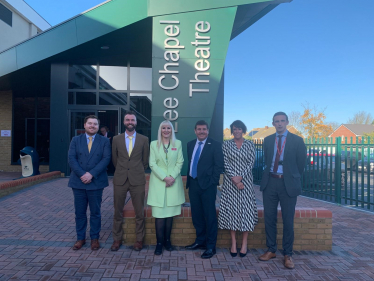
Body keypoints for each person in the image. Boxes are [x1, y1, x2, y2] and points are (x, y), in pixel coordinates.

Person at [258, 112, 306, 269]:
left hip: (288, 184)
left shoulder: (297, 141)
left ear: (287, 122)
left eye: (282, 121)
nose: (279, 124)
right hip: (270, 182)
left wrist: (290, 176)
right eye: (276, 121)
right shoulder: (267, 140)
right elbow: (267, 159)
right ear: (273, 123)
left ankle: (288, 254)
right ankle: (271, 249)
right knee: (269, 218)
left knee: (288, 220)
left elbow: (300, 164)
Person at [68, 115, 111, 251]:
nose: (92, 126)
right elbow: (71, 158)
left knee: (95, 212)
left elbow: (106, 159)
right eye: (90, 123)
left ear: (98, 127)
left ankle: (94, 238)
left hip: (96, 181)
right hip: (79, 182)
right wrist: (83, 175)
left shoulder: (104, 141)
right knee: (80, 212)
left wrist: (91, 174)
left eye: (95, 124)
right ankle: (80, 238)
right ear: (85, 125)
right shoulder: (76, 140)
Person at [218, 120, 258, 258]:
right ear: (232, 130)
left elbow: (251, 162)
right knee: (232, 211)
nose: (237, 131)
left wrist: (240, 177)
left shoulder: (249, 144)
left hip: (246, 182)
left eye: (239, 129)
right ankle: (234, 243)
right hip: (230, 183)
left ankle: (244, 243)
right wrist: (234, 179)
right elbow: (225, 163)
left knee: (245, 212)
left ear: (243, 130)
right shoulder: (226, 144)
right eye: (234, 129)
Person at [110, 111, 150, 251]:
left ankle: (139, 240)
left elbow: (145, 160)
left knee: (139, 212)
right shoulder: (116, 139)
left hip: (137, 178)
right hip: (120, 178)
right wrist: (122, 169)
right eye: (127, 120)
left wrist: (136, 169)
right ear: (124, 122)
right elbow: (115, 159)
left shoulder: (144, 139)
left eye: (132, 120)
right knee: (117, 211)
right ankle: (117, 239)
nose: (130, 122)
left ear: (136, 122)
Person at [185, 120, 224, 259]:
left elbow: (219, 165)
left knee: (210, 216)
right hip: (193, 184)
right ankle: (200, 241)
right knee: (197, 215)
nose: (202, 131)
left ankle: (210, 247)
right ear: (195, 131)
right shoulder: (190, 144)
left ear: (208, 131)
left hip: (207, 186)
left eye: (204, 129)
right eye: (199, 129)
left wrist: (212, 182)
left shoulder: (215, 144)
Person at [147, 120, 185, 255]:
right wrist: (165, 178)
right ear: (160, 130)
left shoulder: (178, 144)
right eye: (164, 128)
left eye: (169, 128)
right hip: (159, 183)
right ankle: (159, 244)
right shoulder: (153, 144)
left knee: (170, 215)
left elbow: (180, 162)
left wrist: (172, 177)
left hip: (173, 184)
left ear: (172, 130)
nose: (166, 130)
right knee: (159, 215)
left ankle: (167, 242)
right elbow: (152, 164)